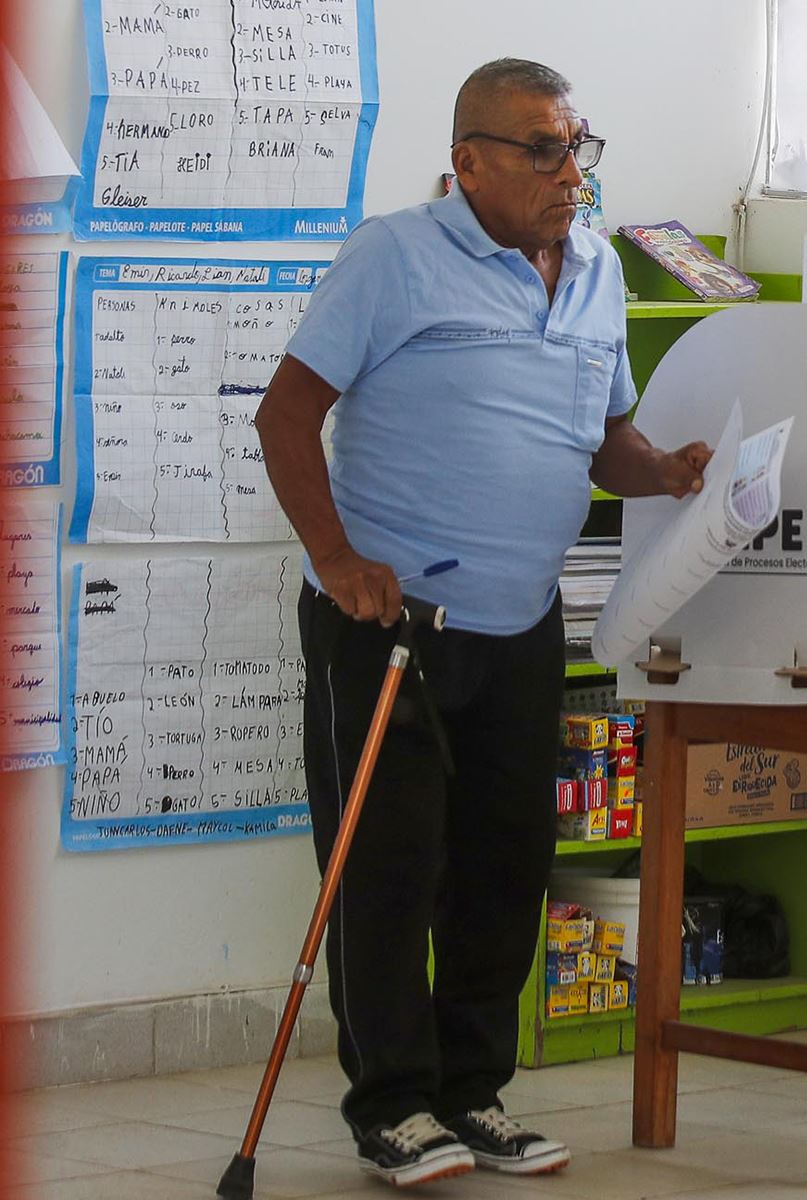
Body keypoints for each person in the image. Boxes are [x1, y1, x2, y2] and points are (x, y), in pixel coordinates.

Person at [257, 58, 711, 1188]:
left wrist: (669, 474)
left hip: (522, 621)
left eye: (578, 147)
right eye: (542, 150)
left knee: (506, 867)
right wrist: (336, 559)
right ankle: (392, 1105)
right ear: (469, 163)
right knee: (388, 869)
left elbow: (601, 436)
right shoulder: (393, 257)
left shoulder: (598, 271)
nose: (571, 173)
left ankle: (474, 1092)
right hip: (391, 623)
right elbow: (285, 414)